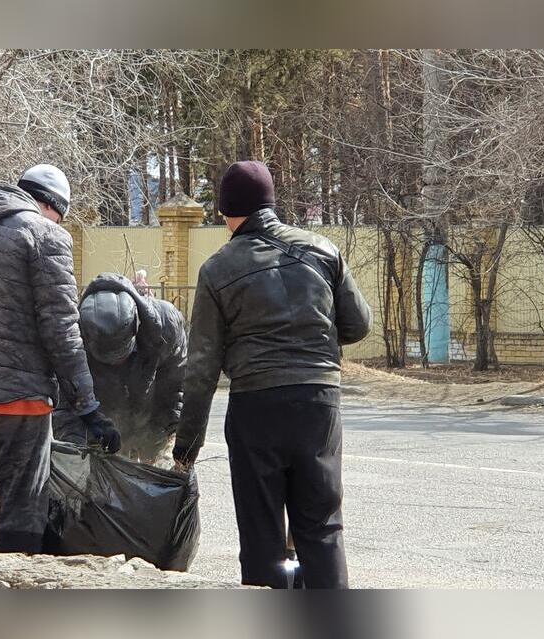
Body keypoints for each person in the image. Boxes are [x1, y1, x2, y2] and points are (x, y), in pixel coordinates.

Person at [172, 161, 371, 589]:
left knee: (262, 535)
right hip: (318, 401)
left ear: (228, 212)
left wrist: (187, 446)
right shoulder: (323, 250)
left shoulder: (217, 269)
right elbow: (357, 325)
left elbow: (202, 366)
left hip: (255, 407)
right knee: (321, 526)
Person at [0, 163, 119, 555]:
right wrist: (88, 406)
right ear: (51, 205)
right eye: (61, 214)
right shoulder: (44, 234)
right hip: (17, 400)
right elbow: (61, 327)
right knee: (22, 510)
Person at [53, 272, 186, 462]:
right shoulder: (72, 340)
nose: (116, 363)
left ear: (136, 326)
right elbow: (66, 407)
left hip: (153, 416)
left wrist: (169, 434)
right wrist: (85, 442)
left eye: (122, 355)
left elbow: (177, 385)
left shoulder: (165, 326)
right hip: (104, 422)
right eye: (107, 360)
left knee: (157, 478)